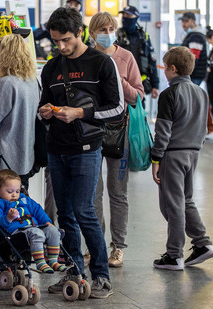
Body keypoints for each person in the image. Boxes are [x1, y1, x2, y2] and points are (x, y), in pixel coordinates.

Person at [38, 7, 124, 299]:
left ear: (79, 33)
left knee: (84, 210)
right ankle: (74, 271)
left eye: (66, 40)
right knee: (65, 214)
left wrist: (81, 112)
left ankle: (101, 276)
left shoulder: (101, 63)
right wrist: (46, 112)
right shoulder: (51, 67)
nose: (61, 47)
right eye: (55, 41)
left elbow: (117, 108)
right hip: (56, 149)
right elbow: (44, 105)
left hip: (88, 149)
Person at [89, 12, 144, 268]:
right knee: (93, 192)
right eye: (102, 28)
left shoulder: (126, 57)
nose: (107, 32)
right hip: (89, 131)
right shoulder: (86, 58)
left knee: (118, 192)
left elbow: (137, 97)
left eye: (111, 28)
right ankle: (95, 243)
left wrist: (119, 80)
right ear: (92, 32)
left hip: (118, 131)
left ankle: (118, 247)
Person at [151, 46, 213, 270]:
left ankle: (174, 254)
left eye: (166, 68)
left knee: (172, 205)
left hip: (172, 154)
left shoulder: (169, 94)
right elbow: (205, 126)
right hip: (194, 153)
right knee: (185, 200)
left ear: (173, 69)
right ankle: (202, 243)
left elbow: (164, 131)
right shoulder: (201, 93)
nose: (164, 72)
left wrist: (156, 158)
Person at [0, 34, 39, 190]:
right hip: (26, 154)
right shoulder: (32, 81)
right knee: (21, 200)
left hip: (5, 156)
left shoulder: (5, 84)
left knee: (4, 204)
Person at [0, 169, 67, 273]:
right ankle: (40, 262)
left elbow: (37, 209)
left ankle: (53, 261)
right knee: (37, 233)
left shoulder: (23, 199)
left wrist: (46, 221)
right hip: (16, 232)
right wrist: (8, 217)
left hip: (33, 227)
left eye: (17, 191)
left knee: (53, 231)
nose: (14, 195)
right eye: (10, 191)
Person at [116, 6, 160, 103]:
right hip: (120, 83)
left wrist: (155, 85)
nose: (125, 17)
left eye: (128, 15)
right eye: (124, 15)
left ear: (136, 17)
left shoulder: (144, 37)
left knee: (139, 115)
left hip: (139, 83)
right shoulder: (117, 36)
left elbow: (152, 61)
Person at [180, 12, 208, 86]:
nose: (183, 24)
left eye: (186, 21)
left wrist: (185, 73)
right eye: (182, 21)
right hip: (193, 74)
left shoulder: (196, 37)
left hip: (194, 75)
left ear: (193, 22)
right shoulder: (192, 35)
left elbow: (193, 58)